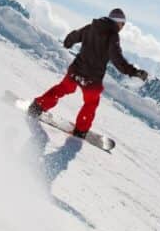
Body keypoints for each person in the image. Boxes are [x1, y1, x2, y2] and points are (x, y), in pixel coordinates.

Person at [28, 8, 148, 138]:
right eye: (122, 24)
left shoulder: (92, 27)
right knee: (91, 103)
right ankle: (80, 130)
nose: (122, 27)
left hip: (76, 71)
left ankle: (37, 107)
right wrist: (134, 72)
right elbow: (117, 59)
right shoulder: (113, 36)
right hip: (92, 79)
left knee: (62, 88)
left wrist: (68, 41)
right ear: (118, 22)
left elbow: (75, 35)